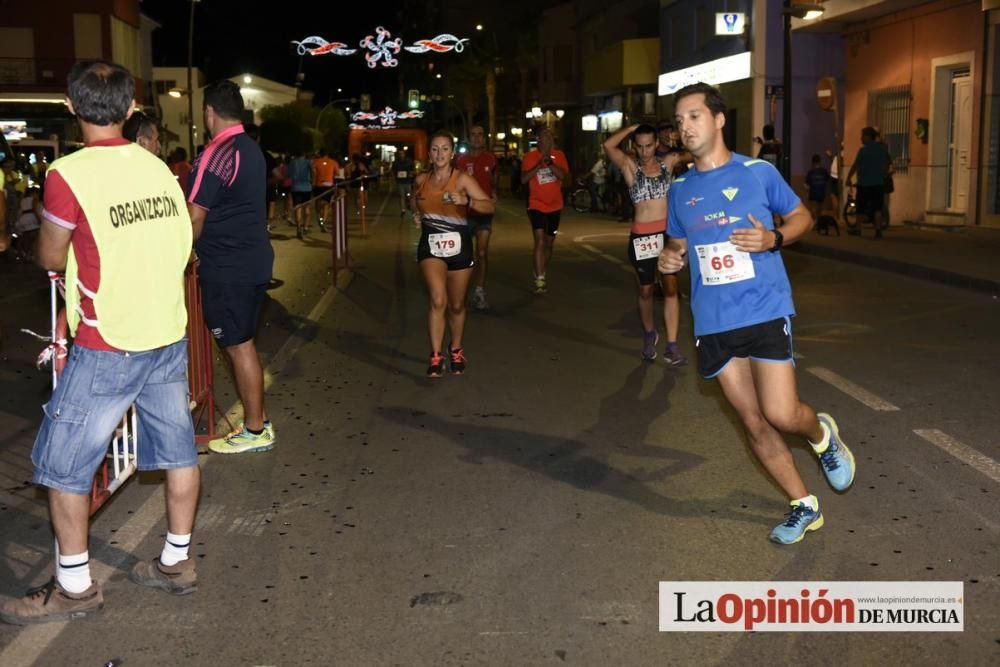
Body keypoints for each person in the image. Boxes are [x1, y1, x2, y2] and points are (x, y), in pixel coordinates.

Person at [0, 60, 199, 625]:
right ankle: (176, 563)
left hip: (108, 340)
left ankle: (75, 588)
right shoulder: (159, 169)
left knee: (64, 468)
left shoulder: (67, 175)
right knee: (178, 451)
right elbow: (183, 243)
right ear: (132, 110)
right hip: (166, 331)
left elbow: (49, 256)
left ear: (70, 107)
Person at [657, 82, 856, 545]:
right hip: (713, 321)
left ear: (719, 119)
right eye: (680, 120)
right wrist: (670, 261)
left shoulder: (758, 173)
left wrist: (774, 239)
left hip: (765, 308)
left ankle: (821, 435)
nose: (685, 127)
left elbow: (801, 217)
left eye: (694, 116)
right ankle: (803, 505)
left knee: (783, 414)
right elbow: (676, 248)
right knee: (752, 420)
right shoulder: (681, 190)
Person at [187, 80, 276, 454]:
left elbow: (194, 218)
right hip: (252, 262)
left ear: (209, 112)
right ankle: (259, 423)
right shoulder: (251, 150)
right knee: (244, 344)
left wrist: (174, 256)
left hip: (228, 267)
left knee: (239, 347)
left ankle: (255, 431)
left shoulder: (218, 152)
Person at [412, 131, 494, 377]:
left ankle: (455, 348)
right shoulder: (421, 180)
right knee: (438, 300)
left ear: (452, 152)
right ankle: (436, 355)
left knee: (457, 305)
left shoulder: (462, 180)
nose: (440, 154)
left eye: (445, 149)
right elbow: (415, 200)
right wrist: (417, 215)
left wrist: (466, 200)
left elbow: (489, 205)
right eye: (435, 149)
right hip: (431, 243)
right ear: (429, 154)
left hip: (460, 243)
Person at [604, 123, 687, 365]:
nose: (645, 151)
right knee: (646, 290)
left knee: (671, 289)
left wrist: (678, 137)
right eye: (639, 146)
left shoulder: (668, 162)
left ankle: (672, 345)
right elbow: (608, 145)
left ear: (656, 143)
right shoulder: (630, 166)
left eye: (649, 145)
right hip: (641, 238)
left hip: (667, 235)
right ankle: (650, 333)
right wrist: (631, 128)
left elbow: (696, 150)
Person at [521, 126, 569, 294]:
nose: (548, 138)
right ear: (538, 139)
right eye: (544, 135)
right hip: (536, 205)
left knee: (549, 244)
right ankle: (540, 279)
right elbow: (524, 178)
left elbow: (562, 176)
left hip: (555, 205)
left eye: (550, 135)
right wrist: (538, 165)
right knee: (540, 241)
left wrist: (550, 163)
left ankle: (540, 269)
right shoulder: (530, 157)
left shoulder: (560, 155)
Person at [456, 124, 499, 310]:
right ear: (468, 138)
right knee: (464, 255)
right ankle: (460, 290)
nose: (476, 138)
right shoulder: (460, 160)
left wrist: (494, 194)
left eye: (480, 135)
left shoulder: (491, 159)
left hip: (483, 214)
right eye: (473, 135)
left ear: (484, 138)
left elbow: (494, 182)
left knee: (481, 252)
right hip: (464, 214)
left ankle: (480, 290)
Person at [846, 126, 890, 238]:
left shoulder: (863, 151)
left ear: (868, 136)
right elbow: (886, 164)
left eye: (862, 136)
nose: (861, 138)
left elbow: (856, 165)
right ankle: (878, 230)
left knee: (860, 208)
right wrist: (883, 174)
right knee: (877, 208)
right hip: (878, 183)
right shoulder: (882, 149)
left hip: (864, 184)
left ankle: (858, 229)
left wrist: (848, 178)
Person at [288, 151, 313, 239]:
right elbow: (313, 171)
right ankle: (306, 227)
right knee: (307, 207)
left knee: (297, 207)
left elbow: (289, 175)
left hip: (296, 188)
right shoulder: (308, 162)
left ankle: (299, 227)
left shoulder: (292, 163)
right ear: (304, 155)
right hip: (307, 187)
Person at [312, 149, 338, 231]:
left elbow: (313, 172)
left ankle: (319, 217)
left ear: (319, 154)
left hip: (318, 185)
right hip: (328, 185)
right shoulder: (333, 162)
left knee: (318, 203)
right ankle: (323, 221)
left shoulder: (315, 162)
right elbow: (337, 173)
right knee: (327, 204)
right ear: (327, 154)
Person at [803, 154, 830, 221]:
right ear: (820, 162)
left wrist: (807, 189)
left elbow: (806, 185)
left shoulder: (810, 173)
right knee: (819, 209)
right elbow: (827, 181)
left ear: (812, 163)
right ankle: (819, 222)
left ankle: (815, 222)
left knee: (813, 209)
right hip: (822, 193)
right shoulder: (824, 172)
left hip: (813, 194)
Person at [394, 149, 416, 215]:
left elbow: (413, 169)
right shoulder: (396, 162)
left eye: (402, 153)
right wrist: (394, 178)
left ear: (404, 154)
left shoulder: (409, 161)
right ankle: (403, 210)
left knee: (409, 196)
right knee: (402, 196)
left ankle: (412, 209)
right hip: (400, 182)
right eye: (400, 154)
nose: (401, 155)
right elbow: (393, 171)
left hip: (408, 181)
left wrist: (411, 173)